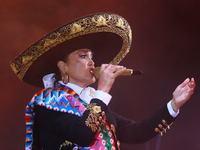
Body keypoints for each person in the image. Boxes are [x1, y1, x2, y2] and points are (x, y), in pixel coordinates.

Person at [10, 13, 195, 150]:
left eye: (92, 56)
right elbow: (83, 135)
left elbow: (136, 132)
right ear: (63, 66)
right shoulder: (47, 102)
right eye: (83, 56)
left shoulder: (93, 101)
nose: (92, 62)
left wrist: (173, 105)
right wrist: (103, 88)